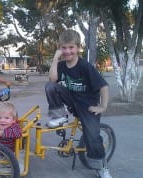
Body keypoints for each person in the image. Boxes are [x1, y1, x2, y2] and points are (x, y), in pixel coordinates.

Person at [44, 29, 111, 178]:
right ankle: (59, 117)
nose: (67, 51)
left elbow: (103, 86)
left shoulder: (85, 66)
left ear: (78, 47)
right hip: (72, 100)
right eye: (64, 48)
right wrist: (55, 58)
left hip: (87, 105)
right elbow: (53, 80)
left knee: (92, 137)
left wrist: (103, 106)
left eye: (71, 47)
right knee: (50, 86)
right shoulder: (61, 65)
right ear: (59, 48)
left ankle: (101, 167)